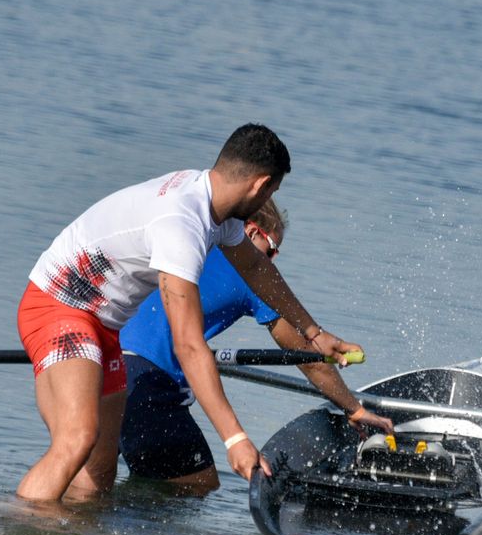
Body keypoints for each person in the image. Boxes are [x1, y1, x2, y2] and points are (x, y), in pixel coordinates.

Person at [15, 124, 363, 504]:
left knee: (99, 472)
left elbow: (255, 268)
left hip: (105, 325)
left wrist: (313, 332)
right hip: (59, 306)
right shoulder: (181, 225)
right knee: (77, 439)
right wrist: (235, 439)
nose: (271, 199)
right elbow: (189, 346)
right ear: (261, 185)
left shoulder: (212, 205)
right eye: (273, 191)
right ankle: (9, 529)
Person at [118, 200, 394, 493]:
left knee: (95, 482)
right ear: (250, 233)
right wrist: (354, 409)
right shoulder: (250, 273)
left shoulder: (195, 244)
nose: (271, 263)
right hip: (150, 380)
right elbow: (309, 358)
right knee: (199, 486)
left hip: (107, 362)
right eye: (271, 250)